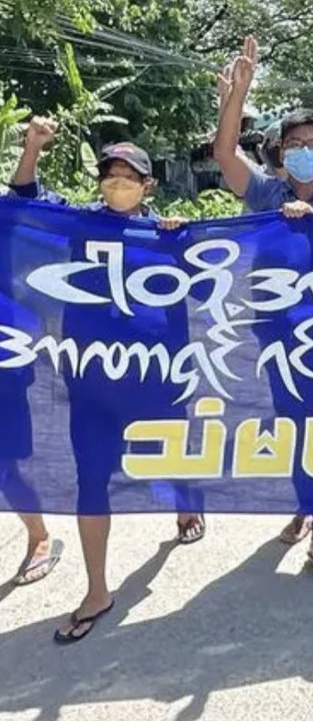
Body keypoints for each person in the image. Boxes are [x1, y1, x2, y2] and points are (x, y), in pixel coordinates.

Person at [8, 119, 204, 641]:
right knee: (91, 479)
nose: (117, 184)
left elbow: (210, 284)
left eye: (128, 176)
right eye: (109, 176)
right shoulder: (79, 224)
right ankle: (97, 589)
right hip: (92, 385)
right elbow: (24, 200)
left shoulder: (168, 234)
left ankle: (186, 507)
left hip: (158, 381)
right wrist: (31, 147)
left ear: (147, 186)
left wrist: (185, 237)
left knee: (172, 461)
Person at [215, 37, 313, 579]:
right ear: (281, 153)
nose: (305, 149)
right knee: (300, 433)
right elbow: (225, 156)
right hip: (279, 342)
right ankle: (309, 502)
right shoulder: (263, 197)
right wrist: (238, 96)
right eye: (295, 142)